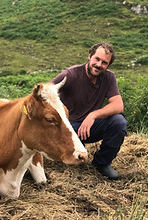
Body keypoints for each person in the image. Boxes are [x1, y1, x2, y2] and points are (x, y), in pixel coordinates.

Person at [51, 42, 128, 180]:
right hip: (67, 129)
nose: (99, 65)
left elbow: (118, 105)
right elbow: (47, 92)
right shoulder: (71, 74)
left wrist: (93, 115)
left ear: (108, 65)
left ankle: (102, 163)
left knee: (119, 122)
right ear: (89, 56)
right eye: (97, 59)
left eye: (104, 62)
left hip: (89, 127)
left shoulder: (109, 77)